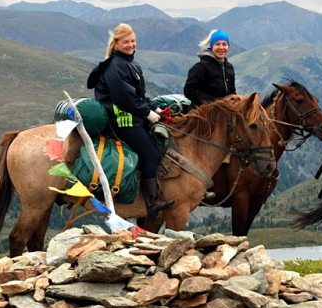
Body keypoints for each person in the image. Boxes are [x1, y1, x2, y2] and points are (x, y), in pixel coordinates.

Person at [88, 23, 174, 219]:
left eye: (133, 41)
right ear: (116, 43)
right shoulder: (115, 66)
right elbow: (125, 99)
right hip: (122, 120)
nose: (130, 45)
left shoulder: (131, 64)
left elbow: (140, 95)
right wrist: (147, 114)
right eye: (126, 42)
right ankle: (151, 203)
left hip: (133, 116)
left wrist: (157, 109)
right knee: (150, 154)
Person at [184, 29, 236, 107]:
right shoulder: (201, 67)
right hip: (201, 110)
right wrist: (214, 102)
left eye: (224, 44)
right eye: (217, 44)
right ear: (212, 46)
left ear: (228, 46)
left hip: (224, 110)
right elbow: (189, 90)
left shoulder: (229, 67)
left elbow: (232, 92)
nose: (221, 47)